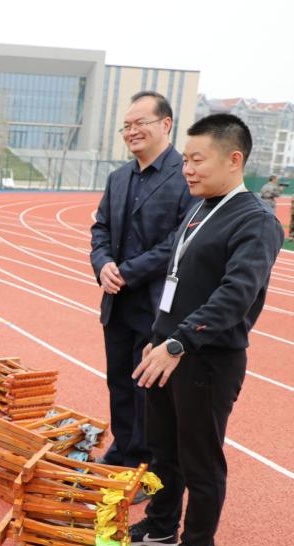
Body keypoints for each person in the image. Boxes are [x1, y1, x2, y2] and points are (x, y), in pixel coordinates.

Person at [130, 114, 283, 546]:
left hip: (206, 359)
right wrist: (159, 337)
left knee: (200, 457)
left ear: (234, 160)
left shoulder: (256, 221)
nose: (187, 170)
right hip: (167, 349)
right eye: (185, 160)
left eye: (197, 160)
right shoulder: (201, 209)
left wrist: (179, 342)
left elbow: (236, 295)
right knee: (163, 447)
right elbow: (178, 279)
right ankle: (161, 524)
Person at [88, 91, 193, 480]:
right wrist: (103, 264)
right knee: (119, 381)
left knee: (148, 388)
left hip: (157, 303)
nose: (131, 131)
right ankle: (122, 448)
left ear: (166, 124)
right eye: (126, 126)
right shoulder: (118, 178)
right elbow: (100, 228)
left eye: (140, 123)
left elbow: (178, 242)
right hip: (117, 300)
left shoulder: (184, 176)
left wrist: (128, 271)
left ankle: (146, 463)